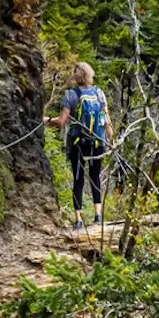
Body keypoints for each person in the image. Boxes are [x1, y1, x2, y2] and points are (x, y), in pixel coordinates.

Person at [46, 61, 111, 229]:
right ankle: (98, 216)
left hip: (78, 143)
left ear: (76, 76)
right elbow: (106, 120)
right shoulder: (99, 93)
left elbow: (61, 122)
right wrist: (110, 140)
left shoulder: (71, 95)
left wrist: (47, 121)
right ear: (90, 74)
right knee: (95, 176)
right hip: (98, 141)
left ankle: (79, 218)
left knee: (78, 178)